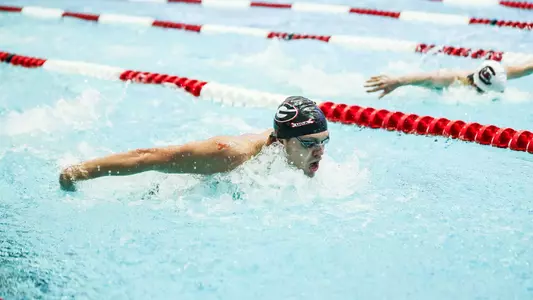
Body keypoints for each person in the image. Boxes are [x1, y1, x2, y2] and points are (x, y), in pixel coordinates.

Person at [59, 96, 330, 191]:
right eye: (309, 143)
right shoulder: (231, 154)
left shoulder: (290, 149)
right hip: (168, 193)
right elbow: (148, 157)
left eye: (324, 141)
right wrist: (77, 173)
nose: (320, 151)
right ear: (281, 143)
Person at [364, 59, 533, 98]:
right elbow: (430, 77)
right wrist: (398, 81)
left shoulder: (496, 72)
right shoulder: (454, 81)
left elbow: (526, 67)